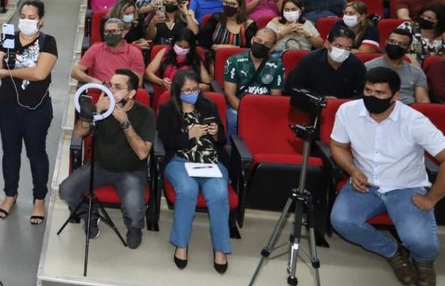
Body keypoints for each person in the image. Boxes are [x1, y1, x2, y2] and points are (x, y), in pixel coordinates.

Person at [329, 67, 445, 286]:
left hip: (406, 186)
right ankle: (392, 251)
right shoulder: (348, 111)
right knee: (342, 221)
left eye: (380, 93)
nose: (372, 97)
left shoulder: (414, 120)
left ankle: (423, 261)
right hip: (366, 183)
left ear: (395, 96)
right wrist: (353, 170)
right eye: (368, 90)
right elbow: (337, 146)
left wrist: (431, 199)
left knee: (420, 241)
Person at [59, 70, 156, 249]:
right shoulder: (102, 108)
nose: (111, 90)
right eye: (110, 85)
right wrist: (93, 111)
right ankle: (90, 214)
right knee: (65, 190)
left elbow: (143, 153)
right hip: (100, 166)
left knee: (134, 206)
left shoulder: (146, 114)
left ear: (131, 93)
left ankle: (134, 227)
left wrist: (124, 122)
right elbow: (79, 134)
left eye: (118, 87)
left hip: (131, 170)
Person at [0, 0, 58, 225]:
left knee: (36, 153)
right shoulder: (8, 38)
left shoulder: (48, 42)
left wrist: (9, 72)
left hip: (37, 109)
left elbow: (39, 73)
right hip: (7, 107)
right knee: (10, 152)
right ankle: (10, 194)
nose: (26, 21)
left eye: (32, 17)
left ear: (40, 19)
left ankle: (39, 199)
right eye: (23, 16)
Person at [157, 69, 231, 272]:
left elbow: (223, 138)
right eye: (187, 90)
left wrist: (216, 133)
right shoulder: (167, 109)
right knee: (187, 191)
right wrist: (189, 134)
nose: (192, 93)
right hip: (180, 160)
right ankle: (181, 245)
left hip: (210, 161)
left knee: (218, 193)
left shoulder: (208, 105)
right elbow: (167, 140)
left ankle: (220, 249)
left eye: (195, 89)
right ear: (178, 90)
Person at [222, 28, 283, 137]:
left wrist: (260, 113)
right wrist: (247, 111)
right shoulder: (233, 61)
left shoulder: (277, 65)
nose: (261, 45)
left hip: (264, 109)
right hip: (238, 106)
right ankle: (232, 150)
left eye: (267, 43)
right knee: (232, 120)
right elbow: (230, 95)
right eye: (259, 41)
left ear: (273, 47)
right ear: (252, 40)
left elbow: (275, 98)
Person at [285, 27, 366, 99]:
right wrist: (319, 98)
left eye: (348, 48)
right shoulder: (309, 60)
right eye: (338, 46)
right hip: (312, 107)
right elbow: (293, 87)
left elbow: (364, 93)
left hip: (345, 109)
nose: (343, 51)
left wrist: (342, 103)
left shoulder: (356, 65)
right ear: (327, 44)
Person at [365, 27, 429, 105]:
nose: (396, 45)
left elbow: (423, 101)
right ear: (386, 42)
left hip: (407, 110)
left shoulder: (416, 72)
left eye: (402, 44)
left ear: (408, 48)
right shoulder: (369, 67)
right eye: (392, 41)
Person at [72, 17, 145, 84]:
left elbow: (138, 82)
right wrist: (92, 80)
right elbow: (75, 72)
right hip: (101, 90)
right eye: (106, 31)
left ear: (124, 33)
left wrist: (117, 87)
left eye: (114, 31)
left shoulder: (135, 52)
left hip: (124, 93)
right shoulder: (95, 49)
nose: (110, 34)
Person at [144, 28, 211, 92]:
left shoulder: (194, 58)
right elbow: (148, 73)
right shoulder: (165, 52)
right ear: (174, 43)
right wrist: (161, 82)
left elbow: (207, 85)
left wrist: (190, 87)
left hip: (188, 94)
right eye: (179, 46)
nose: (182, 49)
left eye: (186, 47)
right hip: (168, 92)